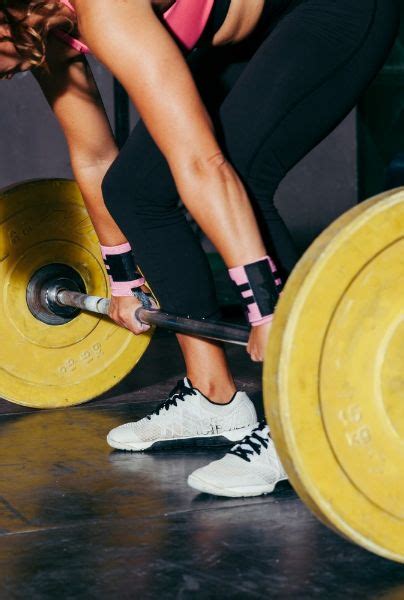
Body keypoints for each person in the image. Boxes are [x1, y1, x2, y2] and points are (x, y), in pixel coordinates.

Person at [0, 0, 398, 497]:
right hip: (243, 40)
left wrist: (266, 311)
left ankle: (312, 412)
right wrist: (124, 280)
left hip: (332, 11)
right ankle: (214, 398)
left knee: (243, 179)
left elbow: (202, 163)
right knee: (135, 190)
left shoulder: (103, 9)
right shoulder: (42, 32)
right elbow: (96, 157)